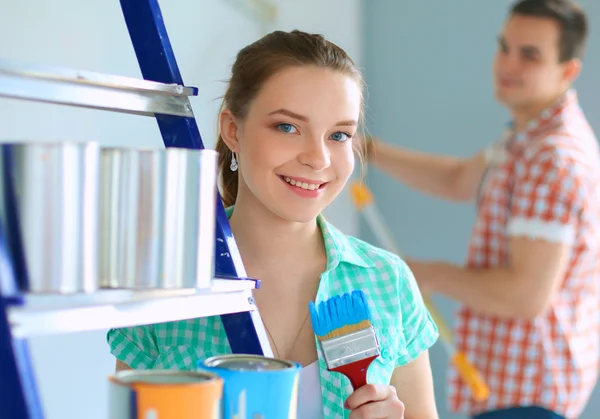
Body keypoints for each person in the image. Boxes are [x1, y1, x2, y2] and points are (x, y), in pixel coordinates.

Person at [107, 29, 440, 419]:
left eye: (339, 135)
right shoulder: (164, 274)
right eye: (287, 127)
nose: (318, 159)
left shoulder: (388, 281)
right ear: (233, 129)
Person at [363, 1, 600, 418]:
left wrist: (423, 274)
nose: (507, 64)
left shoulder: (552, 156)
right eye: (505, 47)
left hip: (530, 396)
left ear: (567, 71)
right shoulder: (525, 137)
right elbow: (458, 179)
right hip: (516, 390)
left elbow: (525, 296)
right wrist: (363, 149)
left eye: (529, 54)